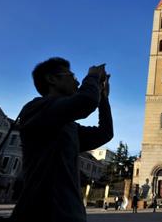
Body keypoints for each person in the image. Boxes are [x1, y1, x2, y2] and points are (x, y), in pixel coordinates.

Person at [9, 58, 113, 222]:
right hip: (41, 213)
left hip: (70, 214)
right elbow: (85, 102)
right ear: (52, 79)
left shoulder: (68, 126)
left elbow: (105, 133)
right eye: (71, 75)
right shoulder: (35, 109)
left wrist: (104, 98)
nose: (77, 81)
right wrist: (92, 76)